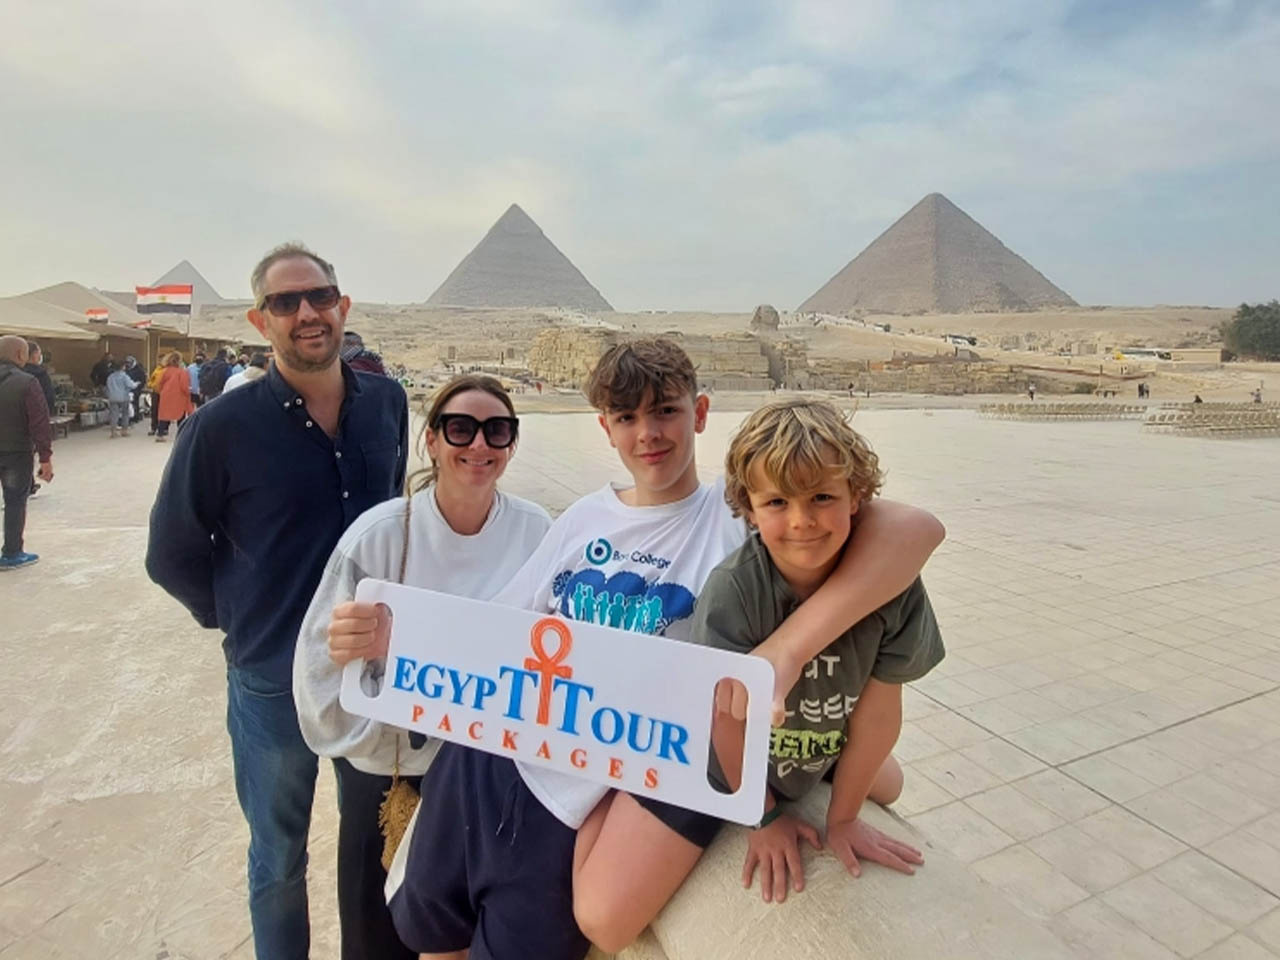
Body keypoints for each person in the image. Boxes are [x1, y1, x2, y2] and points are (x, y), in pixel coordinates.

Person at [376, 338, 944, 958]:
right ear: (606, 428)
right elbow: (497, 629)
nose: (647, 433)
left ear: (699, 413)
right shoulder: (583, 518)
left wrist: (786, 649)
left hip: (578, 798)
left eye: (665, 411)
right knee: (436, 931)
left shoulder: (742, 518)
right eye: (626, 417)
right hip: (494, 761)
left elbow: (912, 529)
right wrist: (391, 638)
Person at [146, 242, 409, 960]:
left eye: (319, 296)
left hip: (367, 673)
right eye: (285, 302)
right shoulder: (219, 429)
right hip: (272, 678)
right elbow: (169, 554)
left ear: (342, 306)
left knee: (371, 845)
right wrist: (241, 618)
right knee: (278, 854)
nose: (307, 313)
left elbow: (394, 517)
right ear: (260, 321)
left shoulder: (388, 402)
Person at [296, 374, 551, 960]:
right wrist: (348, 652)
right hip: (393, 781)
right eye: (461, 428)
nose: (479, 445)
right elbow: (316, 672)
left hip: (490, 781)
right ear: (431, 440)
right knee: (376, 941)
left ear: (512, 443)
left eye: (497, 430)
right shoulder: (380, 535)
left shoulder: (537, 531)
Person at [692, 399, 943, 904]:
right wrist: (763, 817)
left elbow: (879, 712)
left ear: (857, 497)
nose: (802, 520)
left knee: (890, 783)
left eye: (822, 497)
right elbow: (724, 721)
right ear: (748, 509)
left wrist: (844, 819)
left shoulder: (893, 590)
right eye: (777, 502)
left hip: (820, 744)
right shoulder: (734, 592)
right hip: (745, 756)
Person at [0, 336, 54, 571]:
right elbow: (39, 423)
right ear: (21, 355)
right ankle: (12, 553)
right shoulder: (27, 382)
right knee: (14, 502)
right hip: (16, 452)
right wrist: (45, 458)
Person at [23, 341, 56, 497]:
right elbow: (48, 398)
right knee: (28, 452)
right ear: (34, 355)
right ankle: (26, 484)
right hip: (34, 420)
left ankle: (26, 484)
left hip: (12, 423)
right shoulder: (40, 375)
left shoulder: (11, 374)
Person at [154, 352, 193, 442]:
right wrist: (188, 392)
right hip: (179, 397)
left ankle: (160, 434)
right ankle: (181, 434)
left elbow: (159, 383)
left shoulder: (164, 371)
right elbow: (184, 386)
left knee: (164, 415)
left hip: (166, 396)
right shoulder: (182, 372)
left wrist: (161, 392)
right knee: (181, 416)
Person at [105, 360, 140, 438]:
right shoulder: (124, 376)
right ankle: (124, 431)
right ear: (122, 367)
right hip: (123, 397)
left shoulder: (110, 377)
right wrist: (137, 383)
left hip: (113, 397)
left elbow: (107, 387)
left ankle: (113, 432)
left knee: (114, 415)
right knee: (125, 414)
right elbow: (131, 385)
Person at [123, 355, 148, 422]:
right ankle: (129, 416)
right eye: (127, 363)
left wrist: (138, 388)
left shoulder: (139, 370)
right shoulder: (126, 370)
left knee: (135, 403)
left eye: (129, 363)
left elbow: (142, 380)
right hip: (127, 389)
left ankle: (135, 417)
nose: (128, 364)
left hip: (136, 390)